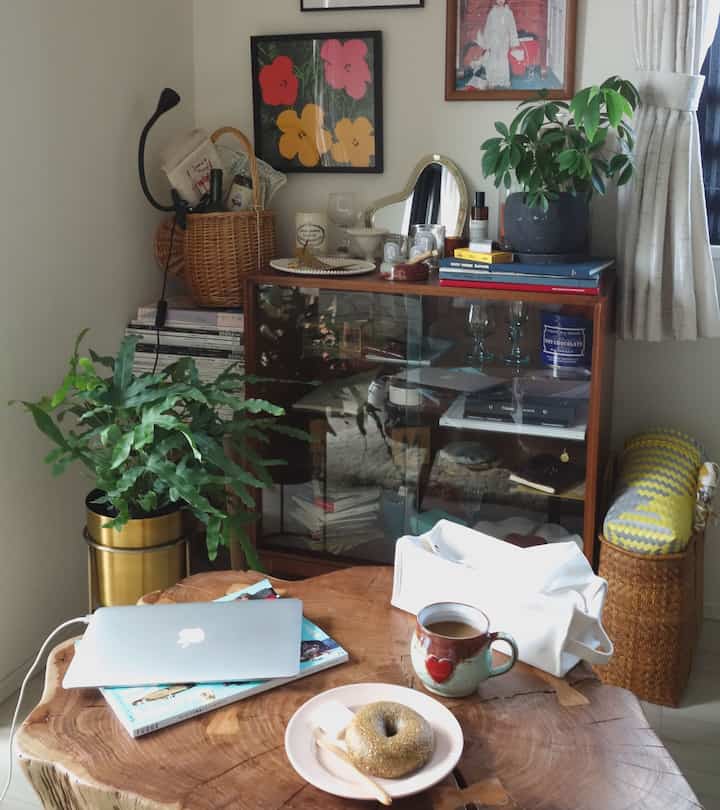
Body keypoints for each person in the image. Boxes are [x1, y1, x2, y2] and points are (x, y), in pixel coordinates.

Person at [483, 0, 520, 89]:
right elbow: (488, 27)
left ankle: (504, 80)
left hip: (504, 40)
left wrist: (513, 42)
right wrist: (487, 43)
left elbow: (512, 28)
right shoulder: (492, 12)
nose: (500, 1)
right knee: (493, 59)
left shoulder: (508, 12)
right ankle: (492, 80)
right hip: (494, 40)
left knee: (503, 59)